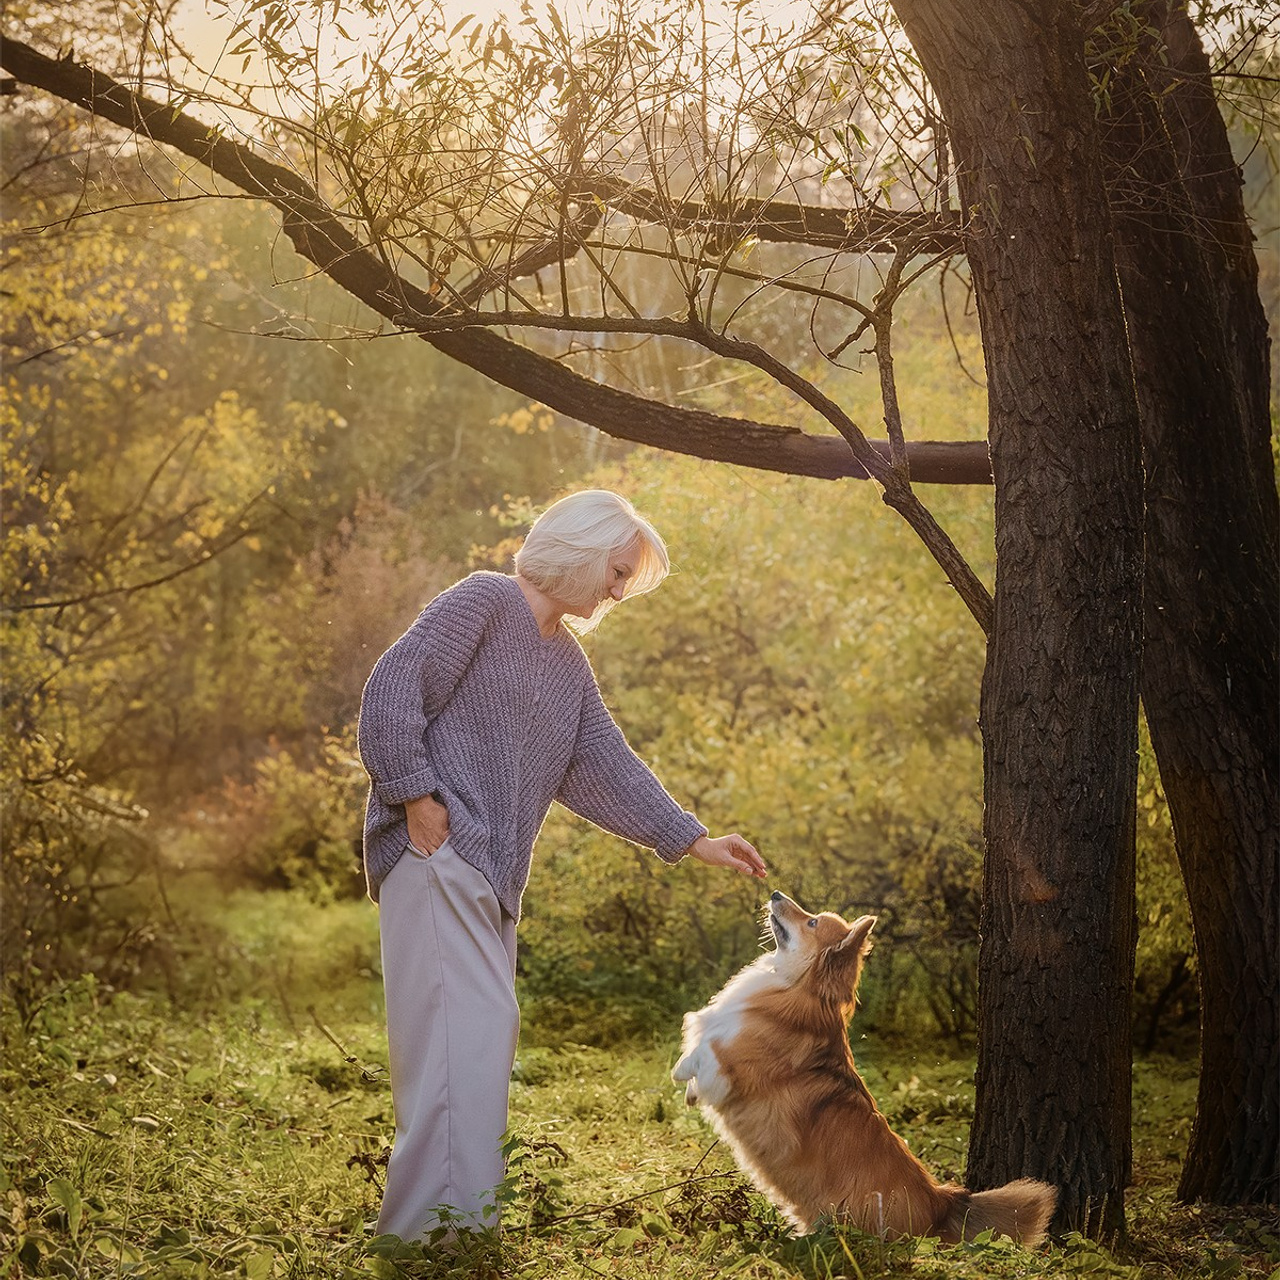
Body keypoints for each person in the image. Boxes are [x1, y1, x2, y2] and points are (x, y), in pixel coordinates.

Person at [357, 489, 766, 1241]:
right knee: (465, 1035)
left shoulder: (567, 663)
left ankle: (456, 1230)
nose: (617, 592)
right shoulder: (481, 602)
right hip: (436, 853)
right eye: (616, 572)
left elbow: (603, 766)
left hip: (487, 873)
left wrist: (693, 838)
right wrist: (417, 796)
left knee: (477, 1039)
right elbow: (392, 689)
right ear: (580, 551)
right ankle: (429, 1236)